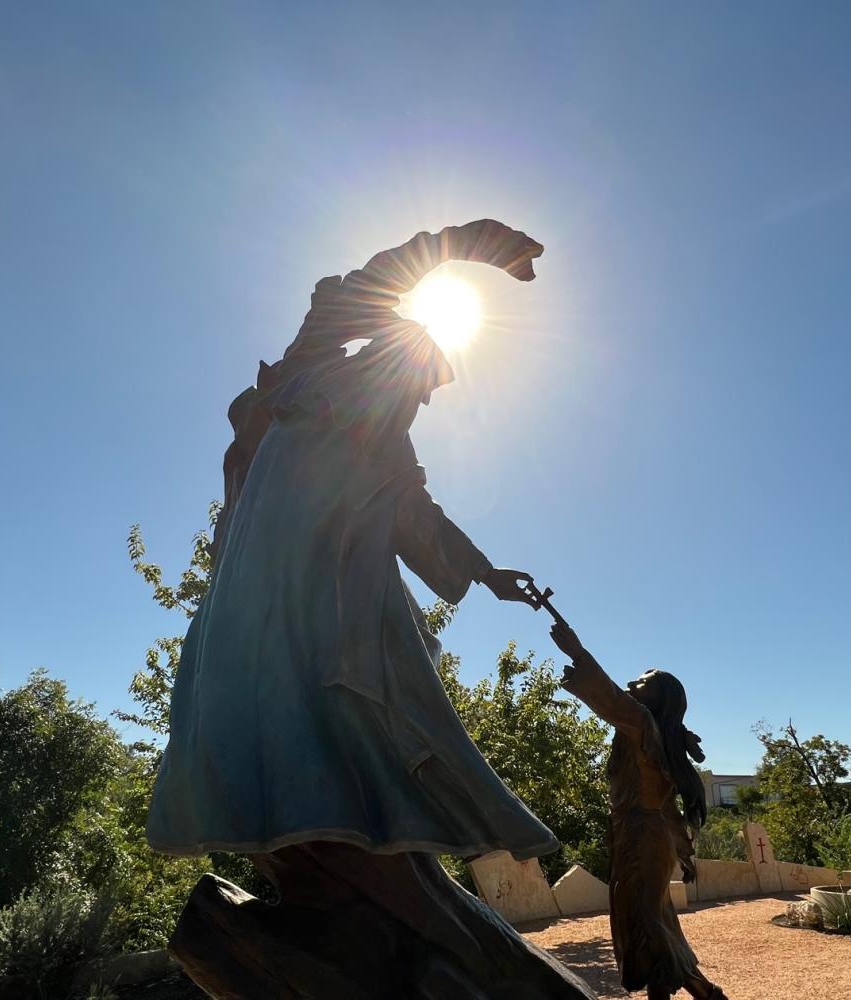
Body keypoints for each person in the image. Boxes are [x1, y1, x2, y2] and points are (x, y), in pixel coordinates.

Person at [149, 221, 594, 998]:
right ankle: (305, 850)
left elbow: (418, 517)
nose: (421, 399)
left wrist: (487, 574)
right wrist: (473, 244)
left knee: (351, 713)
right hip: (266, 587)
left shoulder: (387, 448)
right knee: (263, 701)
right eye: (419, 381)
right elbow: (365, 283)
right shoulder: (312, 369)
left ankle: (357, 865)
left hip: (337, 600)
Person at [549, 621, 727, 1000]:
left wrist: (577, 653)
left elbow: (610, 698)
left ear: (658, 699)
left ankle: (680, 991)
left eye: (642, 684)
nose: (633, 686)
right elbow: (666, 802)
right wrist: (681, 848)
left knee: (646, 921)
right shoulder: (652, 732)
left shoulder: (642, 722)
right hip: (640, 834)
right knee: (651, 918)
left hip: (643, 835)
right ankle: (706, 992)